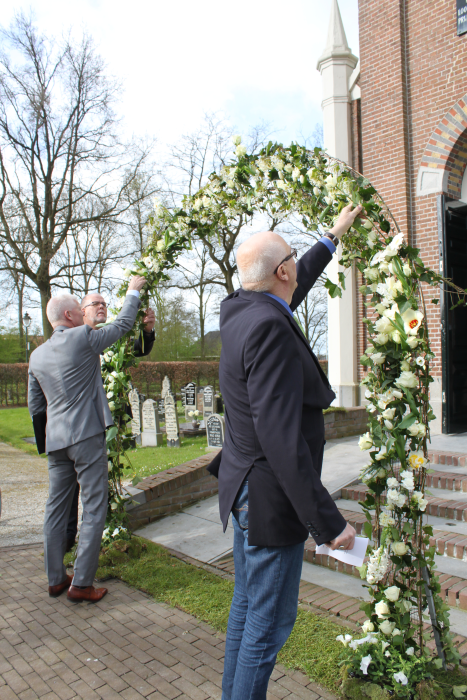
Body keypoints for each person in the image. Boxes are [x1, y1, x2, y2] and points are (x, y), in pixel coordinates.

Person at [208, 203, 362, 700]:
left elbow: (295, 282)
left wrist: (331, 237)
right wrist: (329, 523)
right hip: (269, 501)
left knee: (247, 609)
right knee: (268, 625)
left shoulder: (242, 309)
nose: (297, 265)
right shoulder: (270, 327)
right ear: (281, 272)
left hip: (243, 488)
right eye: (293, 257)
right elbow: (280, 438)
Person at [28, 275, 146, 603]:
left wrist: (47, 442)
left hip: (55, 442)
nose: (84, 316)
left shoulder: (36, 356)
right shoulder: (83, 337)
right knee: (94, 507)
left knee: (55, 509)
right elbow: (122, 325)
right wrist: (132, 292)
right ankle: (81, 583)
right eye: (79, 312)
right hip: (86, 436)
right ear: (69, 315)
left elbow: (36, 407)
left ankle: (55, 580)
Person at [65, 292, 156, 552]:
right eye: (95, 304)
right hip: (80, 423)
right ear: (82, 311)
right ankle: (69, 540)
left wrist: (147, 331)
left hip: (109, 420)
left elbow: (138, 349)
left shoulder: (112, 338)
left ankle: (103, 532)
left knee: (103, 478)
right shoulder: (74, 339)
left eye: (104, 304)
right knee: (72, 486)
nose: (102, 307)